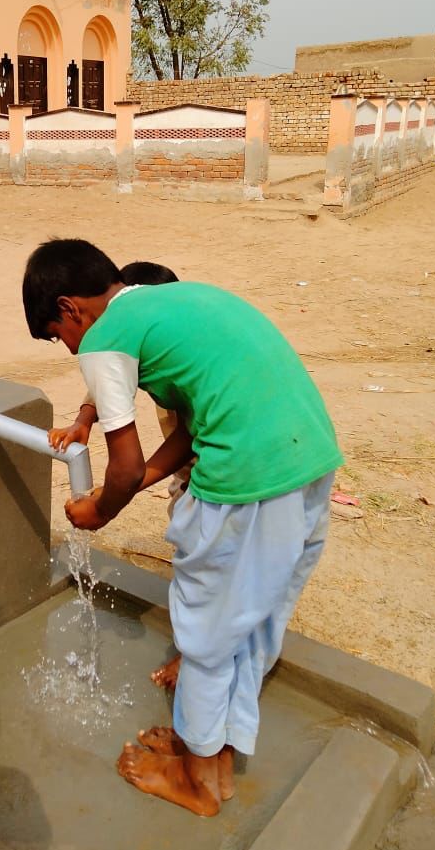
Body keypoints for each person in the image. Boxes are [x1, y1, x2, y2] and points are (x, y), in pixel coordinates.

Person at [23, 239, 342, 817]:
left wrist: (98, 511)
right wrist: (133, 483)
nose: (67, 346)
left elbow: (122, 463)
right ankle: (212, 756)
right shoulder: (173, 300)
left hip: (248, 475)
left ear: (70, 308)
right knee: (251, 619)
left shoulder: (101, 336)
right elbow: (189, 431)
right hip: (307, 462)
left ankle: (196, 784)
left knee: (206, 628)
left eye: (55, 334)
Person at [49, 260, 194, 514]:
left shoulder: (183, 370)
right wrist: (83, 420)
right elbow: (110, 382)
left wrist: (111, 498)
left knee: (190, 516)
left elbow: (187, 440)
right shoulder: (148, 340)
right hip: (186, 468)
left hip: (210, 469)